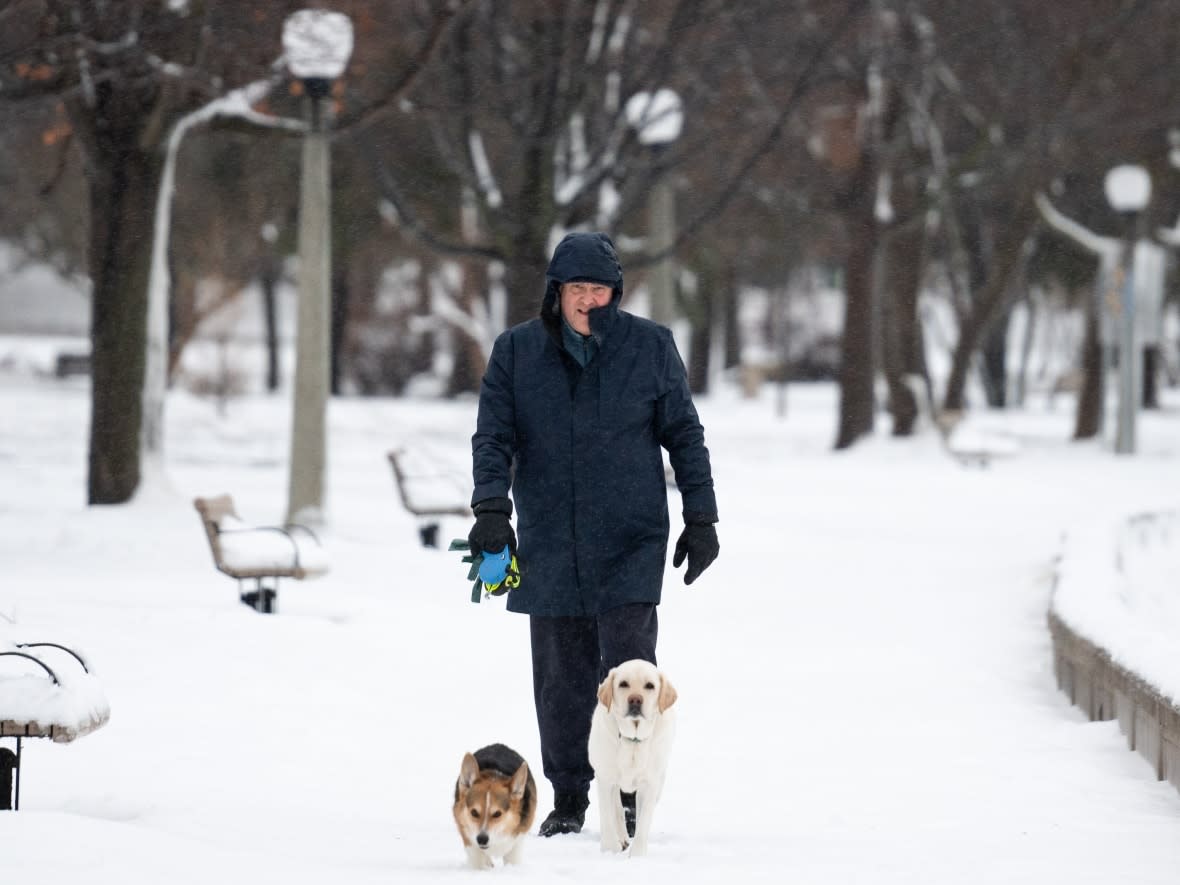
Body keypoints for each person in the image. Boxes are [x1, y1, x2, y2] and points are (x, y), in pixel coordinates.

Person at [467, 231, 719, 837]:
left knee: (631, 672)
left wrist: (702, 516)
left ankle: (632, 792)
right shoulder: (517, 352)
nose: (588, 300)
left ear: (616, 293)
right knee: (560, 678)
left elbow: (683, 433)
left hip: (631, 537)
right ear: (557, 293)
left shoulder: (650, 348)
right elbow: (493, 437)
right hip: (551, 535)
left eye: (599, 289)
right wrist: (491, 510)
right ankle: (572, 795)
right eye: (577, 288)